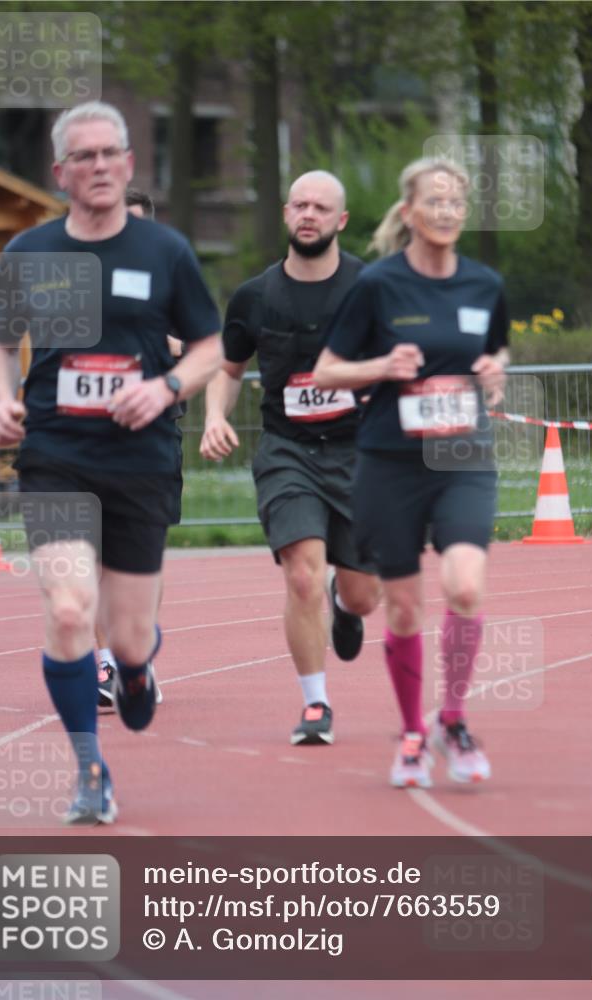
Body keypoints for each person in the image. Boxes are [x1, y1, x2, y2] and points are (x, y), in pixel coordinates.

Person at [0, 100, 223, 823]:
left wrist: (167, 385)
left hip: (139, 461)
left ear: (128, 163)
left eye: (108, 153)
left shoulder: (165, 253)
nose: (98, 166)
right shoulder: (30, 253)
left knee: (127, 637)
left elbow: (212, 347)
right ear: (61, 173)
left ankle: (138, 668)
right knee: (66, 609)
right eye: (82, 156)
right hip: (55, 455)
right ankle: (90, 769)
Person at [313, 157, 509, 787]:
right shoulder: (377, 286)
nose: (448, 211)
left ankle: (452, 719)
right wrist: (382, 366)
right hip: (392, 460)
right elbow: (326, 372)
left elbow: (496, 348)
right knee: (400, 610)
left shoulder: (484, 285)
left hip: (460, 456)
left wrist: (495, 372)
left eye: (457, 202)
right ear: (409, 212)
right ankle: (413, 735)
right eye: (436, 200)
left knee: (466, 584)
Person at [200, 170, 380, 747]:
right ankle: (315, 703)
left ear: (341, 221)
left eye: (321, 208)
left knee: (363, 594)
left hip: (359, 454)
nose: (309, 215)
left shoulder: (370, 287)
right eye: (300, 205)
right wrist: (215, 417)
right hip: (288, 452)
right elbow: (227, 371)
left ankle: (344, 606)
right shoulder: (254, 296)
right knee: (302, 574)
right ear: (285, 214)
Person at [95, 187, 183, 707]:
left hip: (153, 440)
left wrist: (165, 346)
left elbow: (206, 349)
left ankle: (136, 648)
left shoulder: (173, 280)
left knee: (143, 558)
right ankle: (107, 666)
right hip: (89, 441)